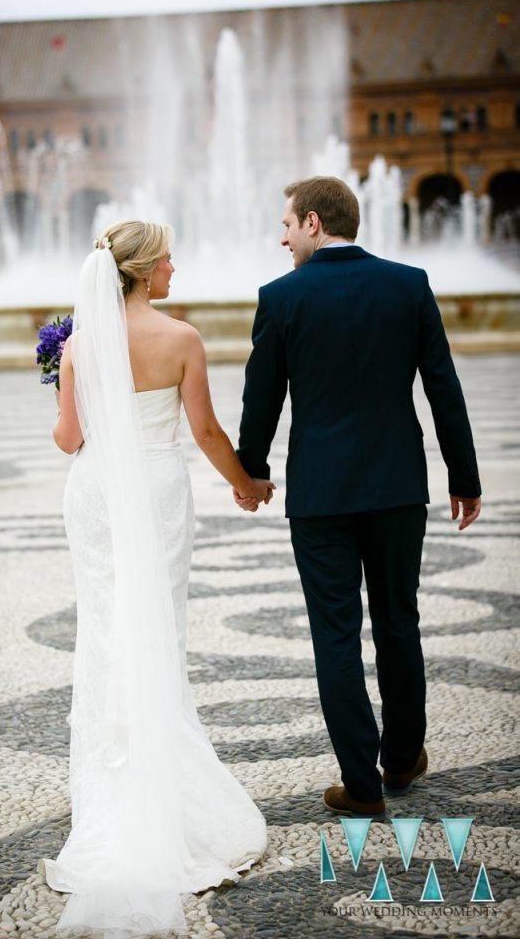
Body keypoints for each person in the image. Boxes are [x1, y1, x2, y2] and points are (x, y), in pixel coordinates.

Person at [40, 221, 271, 937]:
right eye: (168, 257)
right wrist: (248, 483)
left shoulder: (80, 344)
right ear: (144, 272)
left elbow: (70, 438)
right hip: (158, 485)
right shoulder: (182, 340)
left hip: (97, 491)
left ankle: (116, 782)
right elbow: (204, 431)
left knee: (107, 629)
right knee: (157, 629)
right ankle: (162, 789)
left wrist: (64, 387)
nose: (176, 266)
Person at [235, 176, 481, 819]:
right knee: (400, 620)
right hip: (399, 487)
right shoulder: (408, 284)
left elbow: (262, 396)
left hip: (320, 496)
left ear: (314, 222)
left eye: (287, 223)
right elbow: (443, 387)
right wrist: (465, 476)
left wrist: (251, 470)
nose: (281, 236)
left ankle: (362, 786)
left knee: (336, 636)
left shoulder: (281, 297)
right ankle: (402, 760)